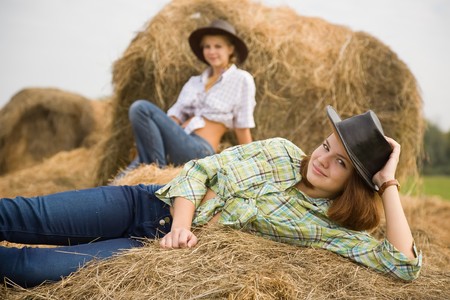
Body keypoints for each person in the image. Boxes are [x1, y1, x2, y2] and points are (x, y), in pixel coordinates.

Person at [0, 106, 422, 287]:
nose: (324, 159)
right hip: (149, 204)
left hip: (145, 250)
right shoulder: (279, 150)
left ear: (354, 185)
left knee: (33, 267)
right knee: (24, 215)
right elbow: (203, 168)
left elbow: (403, 265)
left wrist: (387, 182)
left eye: (342, 164)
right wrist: (181, 228)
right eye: (327, 146)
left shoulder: (327, 227)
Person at [122, 19, 256, 173]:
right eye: (207, 47)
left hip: (200, 150)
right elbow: (174, 116)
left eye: (218, 46)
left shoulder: (241, 79)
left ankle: (156, 172)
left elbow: (242, 127)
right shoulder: (194, 82)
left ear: (230, 49)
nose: (211, 51)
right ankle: (150, 171)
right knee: (124, 177)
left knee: (141, 108)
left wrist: (251, 167)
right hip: (176, 141)